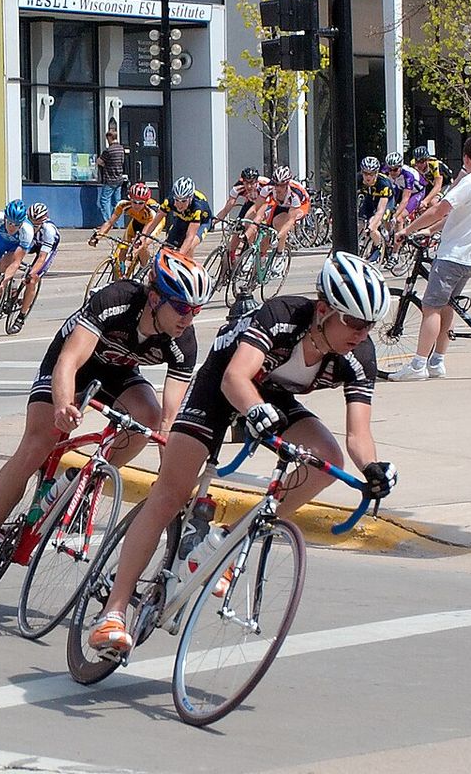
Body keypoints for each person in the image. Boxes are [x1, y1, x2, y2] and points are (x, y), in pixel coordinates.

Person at [87, 251, 398, 655]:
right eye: (353, 322)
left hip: (275, 396)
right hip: (223, 384)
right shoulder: (283, 315)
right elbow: (236, 376)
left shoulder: (359, 356)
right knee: (171, 493)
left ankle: (227, 544)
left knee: (327, 458)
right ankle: (112, 613)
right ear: (323, 310)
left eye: (370, 325)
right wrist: (252, 410)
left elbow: (359, 434)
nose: (362, 332)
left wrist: (373, 468)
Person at [0, 250, 214, 583]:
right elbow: (69, 361)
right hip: (73, 363)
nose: (188, 318)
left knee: (147, 419)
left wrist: (173, 476)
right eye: (181, 308)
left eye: (195, 310)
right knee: (38, 443)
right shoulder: (118, 299)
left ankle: (88, 481)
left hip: (118, 373)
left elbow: (168, 420)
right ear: (154, 297)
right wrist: (64, 405)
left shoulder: (184, 342)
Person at [387, 137, 471, 382]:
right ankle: (437, 361)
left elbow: (439, 209)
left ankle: (418, 365)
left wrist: (406, 231)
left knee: (430, 308)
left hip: (456, 254)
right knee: (448, 305)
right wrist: (431, 231)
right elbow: (461, 215)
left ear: (466, 158)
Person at [242, 165, 309, 264]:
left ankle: (280, 253)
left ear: (287, 184)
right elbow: (256, 208)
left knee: (279, 222)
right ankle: (261, 257)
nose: (278, 188)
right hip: (279, 204)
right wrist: (247, 228)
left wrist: (278, 236)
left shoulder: (295, 195)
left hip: (300, 206)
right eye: (276, 184)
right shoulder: (268, 188)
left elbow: (290, 221)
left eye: (282, 185)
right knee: (266, 229)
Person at [91, 182, 161, 269]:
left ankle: (144, 269)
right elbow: (110, 223)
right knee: (122, 247)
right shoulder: (123, 205)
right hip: (137, 221)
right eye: (134, 202)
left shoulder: (150, 212)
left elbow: (144, 235)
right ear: (130, 199)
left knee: (143, 244)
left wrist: (137, 246)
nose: (137, 205)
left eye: (140, 203)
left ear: (146, 202)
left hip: (154, 224)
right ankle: (121, 274)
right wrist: (97, 237)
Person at [12, 202, 59, 332]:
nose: (33, 227)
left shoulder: (49, 231)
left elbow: (42, 257)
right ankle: (12, 289)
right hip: (32, 242)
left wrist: (31, 273)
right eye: (31, 223)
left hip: (46, 249)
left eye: (36, 224)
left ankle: (21, 317)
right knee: (12, 256)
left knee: (32, 279)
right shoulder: (24, 224)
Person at [214, 167, 270, 262]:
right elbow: (227, 208)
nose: (248, 186)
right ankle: (232, 257)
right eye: (246, 183)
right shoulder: (237, 187)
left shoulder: (265, 186)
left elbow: (260, 210)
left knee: (253, 223)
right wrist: (214, 222)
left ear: (256, 181)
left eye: (251, 183)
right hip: (251, 203)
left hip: (267, 203)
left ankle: (255, 253)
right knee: (238, 226)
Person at [149, 176, 211, 259]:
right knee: (166, 249)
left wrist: (178, 257)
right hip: (182, 219)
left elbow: (190, 237)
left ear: (190, 198)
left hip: (202, 223)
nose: (179, 204)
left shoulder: (197, 207)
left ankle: (190, 270)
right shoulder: (169, 201)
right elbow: (154, 223)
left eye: (183, 201)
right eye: (177, 200)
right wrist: (143, 237)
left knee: (189, 247)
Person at [356, 156, 393, 262]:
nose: (367, 177)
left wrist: (372, 226)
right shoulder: (358, 178)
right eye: (365, 173)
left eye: (371, 174)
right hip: (370, 198)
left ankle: (378, 247)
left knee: (373, 225)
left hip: (386, 201)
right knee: (360, 223)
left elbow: (381, 210)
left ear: (376, 173)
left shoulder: (383, 183)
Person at [411, 146, 452, 213]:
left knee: (433, 202)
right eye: (417, 161)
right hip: (431, 183)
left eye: (422, 161)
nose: (419, 164)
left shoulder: (435, 165)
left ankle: (440, 221)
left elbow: (438, 186)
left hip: (445, 184)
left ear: (427, 159)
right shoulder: (413, 164)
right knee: (421, 207)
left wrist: (425, 201)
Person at [96, 130, 126, 221]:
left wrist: (105, 165)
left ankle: (108, 222)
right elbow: (122, 161)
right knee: (117, 202)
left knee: (104, 200)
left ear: (109, 138)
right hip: (119, 179)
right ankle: (118, 222)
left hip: (110, 179)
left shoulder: (108, 151)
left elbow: (99, 161)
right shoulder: (121, 149)